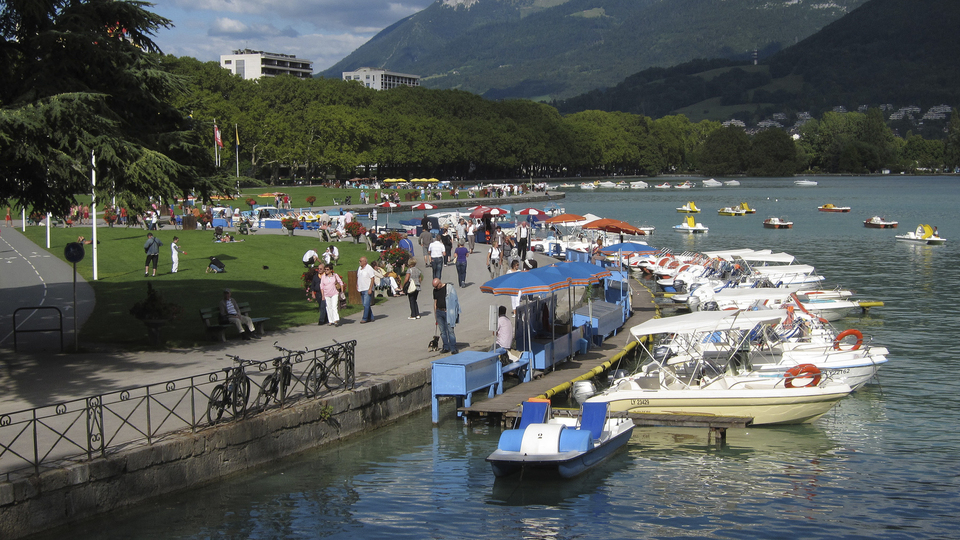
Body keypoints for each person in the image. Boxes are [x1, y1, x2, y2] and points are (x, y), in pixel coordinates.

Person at [432, 278, 461, 354]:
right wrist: (435, 314)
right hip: (439, 312)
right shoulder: (435, 291)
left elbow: (454, 300)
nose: (435, 288)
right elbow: (435, 302)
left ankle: (453, 348)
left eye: (436, 286)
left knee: (450, 331)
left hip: (447, 312)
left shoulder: (448, 288)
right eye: (434, 287)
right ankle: (445, 347)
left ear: (439, 283)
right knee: (442, 331)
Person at [357, 256, 376, 323]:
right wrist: (357, 285)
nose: (359, 262)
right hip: (361, 288)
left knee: (366, 304)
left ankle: (364, 318)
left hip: (367, 288)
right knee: (365, 304)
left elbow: (372, 278)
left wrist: (370, 288)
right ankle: (371, 317)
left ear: (365, 261)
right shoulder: (360, 268)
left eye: (361, 261)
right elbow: (358, 277)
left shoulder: (369, 268)